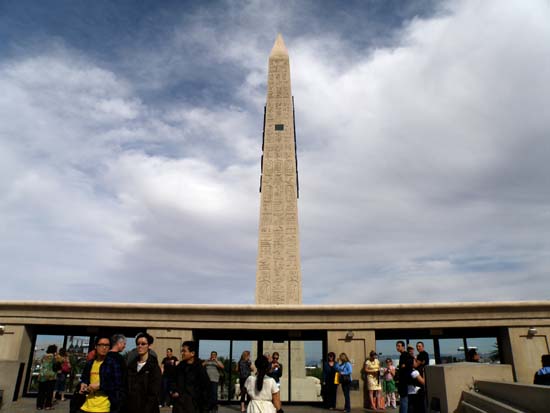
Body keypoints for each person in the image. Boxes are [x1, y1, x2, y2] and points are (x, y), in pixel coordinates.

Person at [170, 341, 210, 413]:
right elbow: (173, 380)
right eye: (182, 351)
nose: (182, 353)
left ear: (192, 353)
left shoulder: (199, 368)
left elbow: (206, 387)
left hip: (194, 404)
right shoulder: (179, 367)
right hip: (179, 404)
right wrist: (174, 390)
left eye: (184, 351)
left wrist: (205, 407)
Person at [127, 332, 161, 413]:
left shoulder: (154, 367)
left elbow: (154, 393)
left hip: (148, 409)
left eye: (143, 344)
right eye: (138, 344)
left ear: (149, 346)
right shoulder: (131, 366)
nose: (140, 346)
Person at [79, 336, 115, 413]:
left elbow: (118, 384)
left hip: (104, 407)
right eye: (101, 345)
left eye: (107, 345)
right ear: (96, 346)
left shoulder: (113, 364)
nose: (104, 347)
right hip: (87, 405)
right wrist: (83, 384)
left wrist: (100, 385)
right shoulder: (90, 363)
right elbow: (84, 378)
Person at [105, 334, 128, 413]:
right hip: (116, 395)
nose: (124, 346)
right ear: (119, 343)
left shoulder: (104, 356)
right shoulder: (120, 359)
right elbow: (124, 377)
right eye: (124, 344)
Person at [37, 344, 58, 410]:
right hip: (51, 377)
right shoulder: (54, 357)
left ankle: (39, 406)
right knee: (49, 392)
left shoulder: (43, 356)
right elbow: (58, 364)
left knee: (41, 392)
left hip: (42, 376)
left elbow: (40, 363)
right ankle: (47, 406)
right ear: (54, 350)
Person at [396, 341, 413, 413]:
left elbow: (408, 365)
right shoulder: (403, 355)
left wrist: (403, 367)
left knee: (404, 399)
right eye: (397, 346)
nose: (397, 347)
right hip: (403, 381)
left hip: (404, 381)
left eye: (399, 346)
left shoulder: (405, 355)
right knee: (403, 399)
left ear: (403, 346)